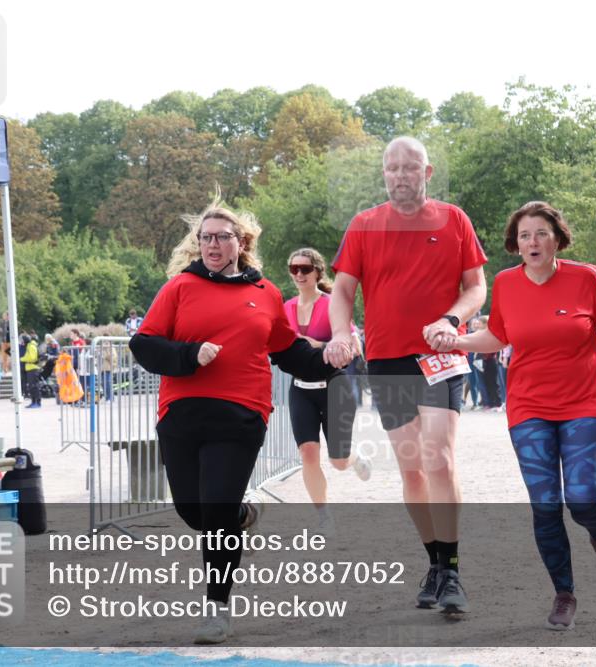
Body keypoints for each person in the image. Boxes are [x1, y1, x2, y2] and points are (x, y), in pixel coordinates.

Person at [129, 197, 338, 644]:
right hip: (181, 414)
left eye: (223, 237)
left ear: (241, 243)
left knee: (216, 508)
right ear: (197, 243)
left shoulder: (263, 294)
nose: (213, 244)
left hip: (241, 414)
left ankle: (217, 609)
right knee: (193, 511)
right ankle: (243, 516)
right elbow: (144, 345)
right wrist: (189, 354)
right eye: (206, 237)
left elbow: (291, 353)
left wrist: (331, 360)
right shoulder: (179, 287)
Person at [452, 201, 596, 631]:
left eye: (540, 233)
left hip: (585, 403)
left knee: (584, 496)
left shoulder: (585, 278)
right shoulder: (505, 283)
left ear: (557, 238)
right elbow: (496, 336)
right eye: (524, 236)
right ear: (516, 246)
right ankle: (564, 593)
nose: (532, 242)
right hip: (529, 406)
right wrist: (454, 342)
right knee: (546, 503)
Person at [326, 136, 487, 617]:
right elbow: (342, 291)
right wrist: (340, 333)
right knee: (413, 469)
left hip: (439, 356)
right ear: (384, 174)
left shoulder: (453, 219)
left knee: (439, 460)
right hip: (387, 360)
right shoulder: (365, 225)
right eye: (392, 168)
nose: (400, 175)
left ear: (427, 172)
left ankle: (453, 570)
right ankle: (435, 563)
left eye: (409, 168)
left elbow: (477, 287)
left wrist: (451, 321)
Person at [283, 247, 371, 536]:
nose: (298, 274)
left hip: (334, 387)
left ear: (318, 272)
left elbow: (354, 345)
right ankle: (323, 515)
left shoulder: (334, 304)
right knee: (308, 453)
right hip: (300, 388)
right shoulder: (285, 308)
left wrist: (314, 344)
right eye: (293, 268)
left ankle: (354, 458)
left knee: (338, 461)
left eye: (305, 269)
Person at [19, 334, 41, 408]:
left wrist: (22, 359)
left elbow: (32, 358)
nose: (21, 342)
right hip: (29, 368)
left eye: (22, 340)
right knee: (31, 387)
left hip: (33, 368)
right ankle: (33, 402)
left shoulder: (31, 346)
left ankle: (37, 402)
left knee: (34, 386)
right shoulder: (29, 346)